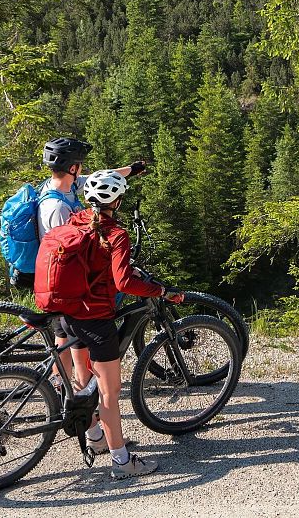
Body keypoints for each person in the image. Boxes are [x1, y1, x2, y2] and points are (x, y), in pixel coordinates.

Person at [43, 169, 183, 478]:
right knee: (109, 392)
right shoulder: (117, 234)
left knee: (82, 380)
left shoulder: (75, 220)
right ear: (116, 202)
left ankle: (95, 438)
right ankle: (122, 461)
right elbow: (123, 281)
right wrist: (160, 291)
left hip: (67, 313)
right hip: (94, 318)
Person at [37, 138, 146, 380]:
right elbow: (69, 254)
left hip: (62, 276)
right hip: (62, 281)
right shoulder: (57, 207)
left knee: (66, 336)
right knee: (70, 339)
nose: (83, 169)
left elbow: (97, 180)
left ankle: (68, 389)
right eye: (80, 165)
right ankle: (76, 389)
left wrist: (130, 170)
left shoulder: (62, 186)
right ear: (73, 168)